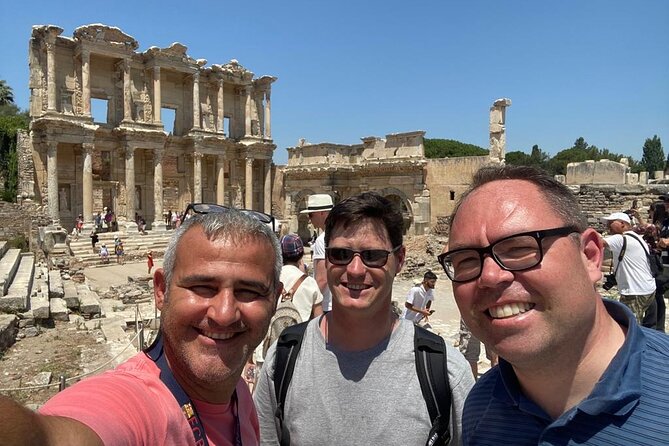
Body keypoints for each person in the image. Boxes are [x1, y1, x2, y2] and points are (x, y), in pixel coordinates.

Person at [0, 210, 282, 445]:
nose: (224, 314)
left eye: (249, 291)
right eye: (202, 287)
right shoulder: (134, 404)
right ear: (160, 290)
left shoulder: (239, 396)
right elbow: (48, 437)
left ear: (276, 299)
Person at [439, 165, 669, 444]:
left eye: (520, 248)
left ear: (589, 256)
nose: (488, 276)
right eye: (466, 260)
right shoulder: (480, 407)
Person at [255, 192, 474, 445]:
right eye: (340, 254)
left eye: (373, 256)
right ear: (326, 259)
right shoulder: (282, 361)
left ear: (400, 259)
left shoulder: (446, 373)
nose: (355, 270)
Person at [600, 212, 656, 326]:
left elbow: (597, 243)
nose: (607, 226)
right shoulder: (636, 237)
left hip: (634, 292)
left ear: (622, 224)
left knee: (630, 326)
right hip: (647, 288)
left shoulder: (620, 239)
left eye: (611, 223)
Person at [300, 194, 334, 312]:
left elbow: (322, 280)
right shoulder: (339, 236)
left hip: (324, 305)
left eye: (311, 215)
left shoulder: (322, 240)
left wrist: (309, 305)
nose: (309, 219)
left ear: (322, 213)